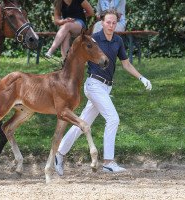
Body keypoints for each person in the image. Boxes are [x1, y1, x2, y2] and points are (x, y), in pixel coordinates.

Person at [54, 9, 152, 176]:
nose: (111, 25)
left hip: (107, 88)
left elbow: (126, 64)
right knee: (113, 118)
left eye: (114, 23)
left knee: (82, 123)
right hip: (94, 85)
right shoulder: (95, 39)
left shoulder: (118, 41)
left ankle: (59, 154)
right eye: (108, 22)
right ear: (102, 22)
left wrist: (141, 78)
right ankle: (108, 162)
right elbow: (77, 55)